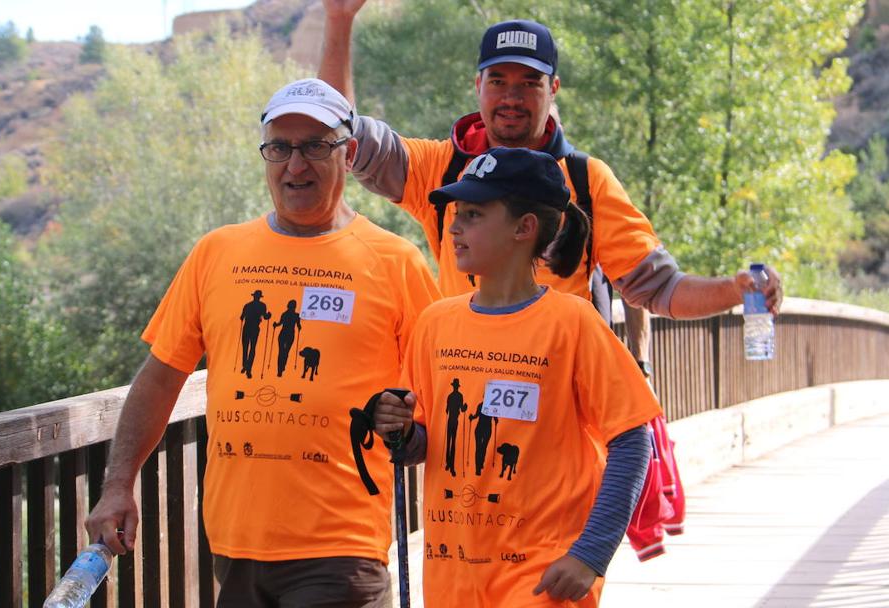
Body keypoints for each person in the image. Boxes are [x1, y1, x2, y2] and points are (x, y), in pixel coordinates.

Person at [85, 77, 440, 607]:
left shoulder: (395, 262)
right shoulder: (217, 253)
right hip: (234, 546)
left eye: (316, 146)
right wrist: (118, 484)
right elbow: (161, 375)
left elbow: (441, 391)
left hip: (341, 549)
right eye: (280, 147)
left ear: (350, 154)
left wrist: (410, 433)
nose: (295, 165)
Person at [318, 1, 783, 319]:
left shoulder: (585, 181)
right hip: (460, 400)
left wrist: (734, 290)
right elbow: (339, 133)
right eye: (498, 81)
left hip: (557, 412)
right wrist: (339, 20)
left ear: (553, 89)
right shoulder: (440, 169)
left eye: (529, 83)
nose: (512, 97)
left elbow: (659, 289)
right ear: (476, 85)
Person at [373, 146, 661, 606]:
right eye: (455, 213)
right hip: (453, 577)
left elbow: (632, 439)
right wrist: (400, 431)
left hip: (541, 576)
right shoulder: (435, 323)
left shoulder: (574, 323)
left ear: (524, 229)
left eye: (473, 214)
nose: (454, 226)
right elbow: (426, 443)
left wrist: (591, 554)